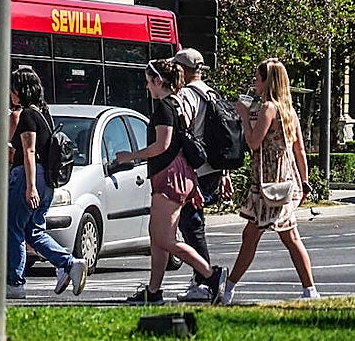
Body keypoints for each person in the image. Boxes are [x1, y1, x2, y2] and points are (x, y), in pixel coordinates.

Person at [114, 59, 228, 305]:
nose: (147, 87)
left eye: (148, 81)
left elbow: (162, 145)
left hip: (170, 176)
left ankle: (210, 274)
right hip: (176, 175)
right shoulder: (177, 105)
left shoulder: (165, 107)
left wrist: (130, 157)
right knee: (157, 237)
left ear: (158, 81)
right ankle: (153, 292)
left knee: (165, 239)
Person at [221, 58, 318, 304]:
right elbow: (300, 151)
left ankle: (229, 288)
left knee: (262, 236)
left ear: (267, 81)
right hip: (284, 181)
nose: (255, 83)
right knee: (278, 236)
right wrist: (304, 182)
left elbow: (253, 142)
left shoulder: (269, 108)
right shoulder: (288, 110)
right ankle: (309, 290)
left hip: (267, 183)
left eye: (257, 78)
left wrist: (243, 116)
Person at [5, 66, 89, 299]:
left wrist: (30, 187)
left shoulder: (28, 116)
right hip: (47, 179)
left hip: (28, 176)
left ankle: (14, 282)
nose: (10, 94)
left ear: (20, 90)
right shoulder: (44, 114)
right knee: (33, 230)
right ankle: (69, 264)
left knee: (13, 227)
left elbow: (29, 151)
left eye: (12, 89)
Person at [171, 48, 233, 302]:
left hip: (195, 169)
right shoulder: (211, 93)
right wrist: (225, 173)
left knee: (191, 224)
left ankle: (207, 278)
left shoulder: (186, 94)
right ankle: (202, 278)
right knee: (194, 223)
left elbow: (183, 131)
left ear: (183, 70)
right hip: (214, 168)